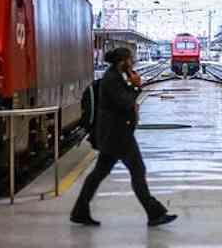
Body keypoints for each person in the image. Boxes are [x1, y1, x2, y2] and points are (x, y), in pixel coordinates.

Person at [71, 47, 177, 227]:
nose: (133, 61)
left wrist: (133, 86)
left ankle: (80, 211)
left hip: (115, 134)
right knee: (137, 171)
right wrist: (136, 86)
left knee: (99, 173)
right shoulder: (112, 79)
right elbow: (125, 103)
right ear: (123, 61)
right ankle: (154, 212)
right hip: (118, 136)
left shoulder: (114, 76)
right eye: (130, 58)